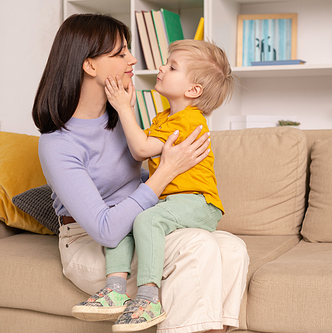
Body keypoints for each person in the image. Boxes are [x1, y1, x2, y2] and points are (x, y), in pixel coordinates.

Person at [32, 13, 249, 333]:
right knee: (198, 247)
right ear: (90, 66)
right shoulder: (57, 144)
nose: (133, 59)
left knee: (232, 247)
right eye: (120, 53)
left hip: (138, 227)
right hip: (92, 244)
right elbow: (106, 230)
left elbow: (145, 159)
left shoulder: (124, 121)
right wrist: (168, 170)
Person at [82, 39, 235, 332]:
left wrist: (122, 106)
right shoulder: (166, 117)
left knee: (147, 218)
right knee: (125, 215)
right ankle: (115, 287)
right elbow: (143, 143)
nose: (162, 67)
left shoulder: (190, 120)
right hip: (175, 202)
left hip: (198, 202)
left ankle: (148, 297)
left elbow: (140, 149)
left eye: (173, 66)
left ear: (193, 90)